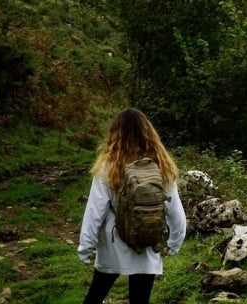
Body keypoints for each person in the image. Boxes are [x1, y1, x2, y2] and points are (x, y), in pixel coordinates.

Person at [78, 107, 187, 304]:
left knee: (95, 295)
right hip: (147, 240)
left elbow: (95, 211)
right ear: (149, 133)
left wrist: (86, 247)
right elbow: (176, 211)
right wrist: (175, 242)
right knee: (140, 300)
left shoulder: (108, 165)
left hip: (113, 242)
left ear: (115, 134)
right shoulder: (160, 165)